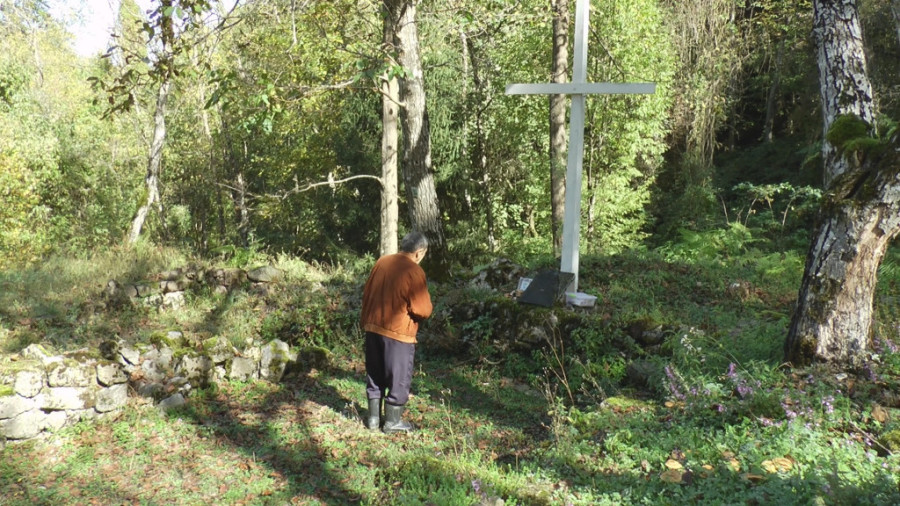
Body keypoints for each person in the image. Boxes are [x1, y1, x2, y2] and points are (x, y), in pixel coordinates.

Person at [360, 231, 433, 433]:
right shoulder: (414, 271)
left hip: (373, 327)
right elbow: (423, 309)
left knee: (375, 374)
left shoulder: (382, 262)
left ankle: (373, 419)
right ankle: (392, 422)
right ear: (418, 253)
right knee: (398, 377)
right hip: (398, 332)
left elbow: (367, 294)